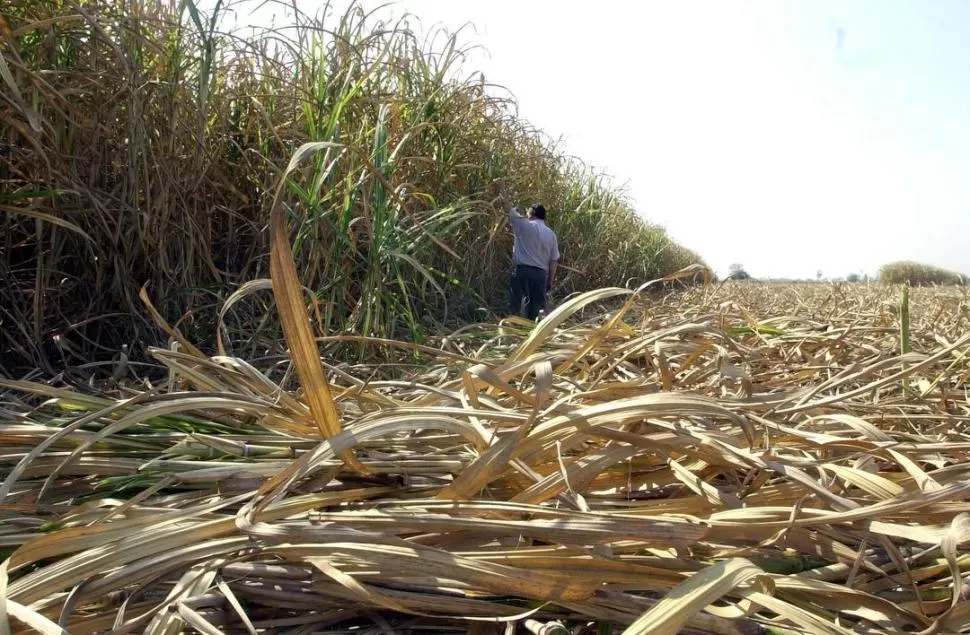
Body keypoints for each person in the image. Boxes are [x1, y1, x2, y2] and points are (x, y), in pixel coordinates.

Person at [493, 186, 560, 321]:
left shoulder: (524, 225)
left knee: (516, 307)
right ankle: (531, 336)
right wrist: (550, 280)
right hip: (540, 275)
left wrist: (501, 189)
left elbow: (508, 208)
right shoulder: (551, 235)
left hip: (521, 272)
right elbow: (554, 261)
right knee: (535, 312)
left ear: (531, 214)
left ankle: (514, 333)